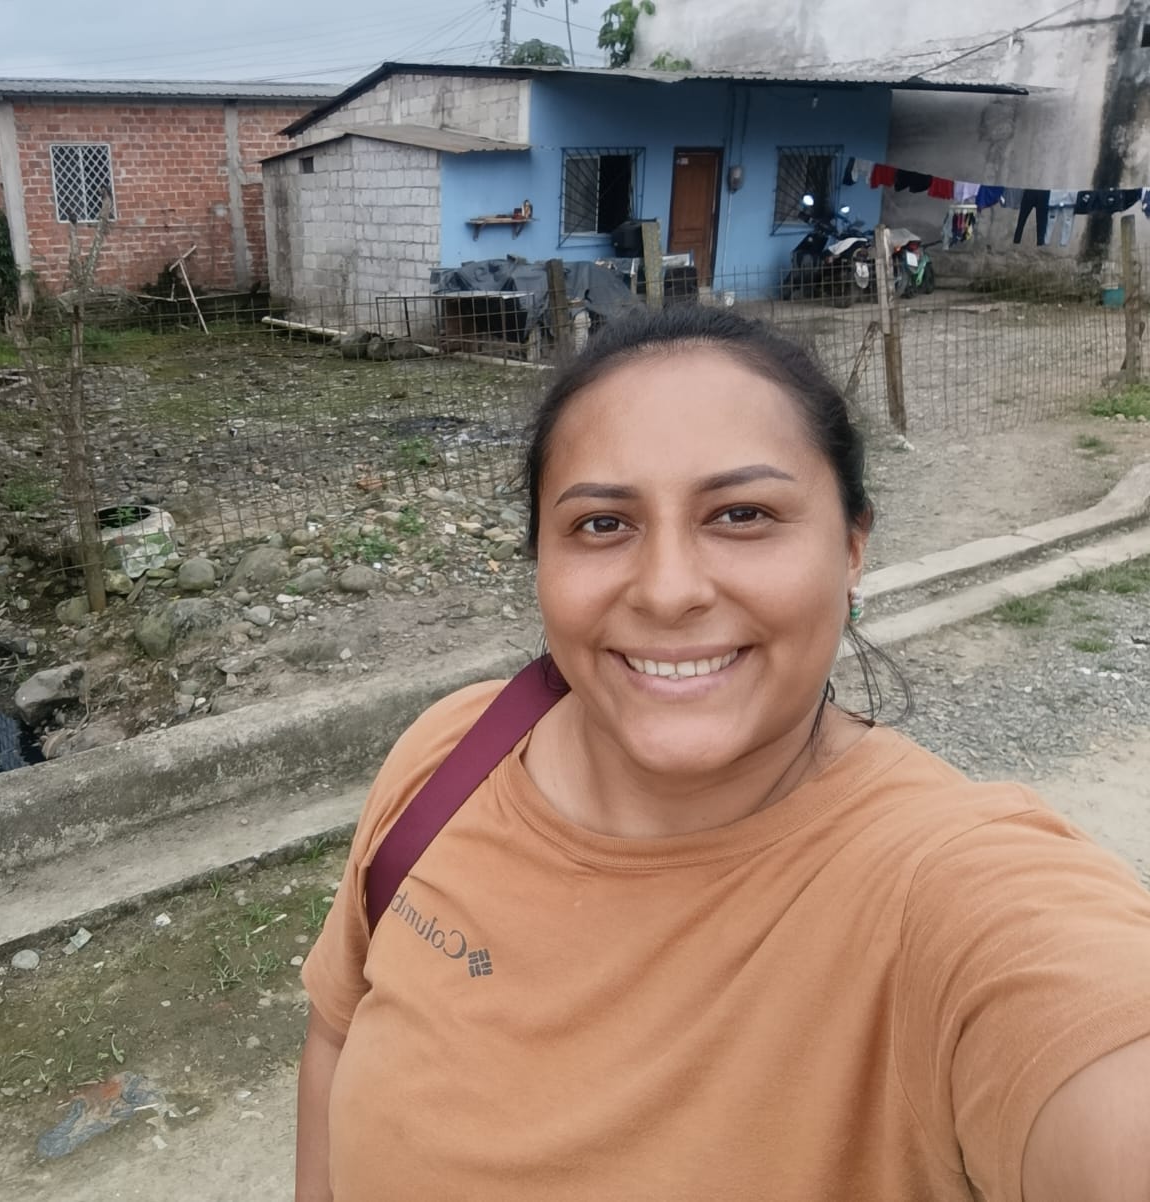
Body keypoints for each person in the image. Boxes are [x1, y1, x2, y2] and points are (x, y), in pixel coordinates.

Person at [294, 305, 1150, 1201]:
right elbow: (336, 1033)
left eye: (743, 514)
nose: (668, 592)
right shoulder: (449, 757)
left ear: (852, 549)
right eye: (602, 524)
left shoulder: (951, 893)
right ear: (539, 557)